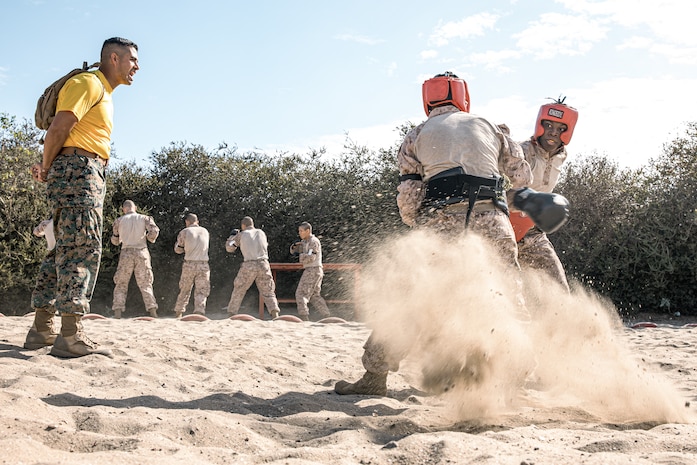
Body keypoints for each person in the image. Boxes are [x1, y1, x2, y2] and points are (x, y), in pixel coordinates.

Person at [335, 71, 537, 396]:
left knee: (415, 298)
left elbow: (409, 196)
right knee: (507, 293)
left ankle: (375, 376)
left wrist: (417, 226)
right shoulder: (489, 126)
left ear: (428, 99)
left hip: (443, 220)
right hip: (492, 220)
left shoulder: (416, 134)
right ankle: (516, 375)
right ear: (463, 96)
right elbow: (522, 174)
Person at [27, 37, 139, 358]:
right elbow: (60, 128)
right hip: (80, 170)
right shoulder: (89, 83)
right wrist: (47, 167)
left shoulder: (99, 90)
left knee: (64, 247)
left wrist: (50, 166)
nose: (137, 66)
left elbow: (63, 134)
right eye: (132, 59)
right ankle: (71, 334)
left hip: (79, 168)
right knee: (83, 247)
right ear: (113, 59)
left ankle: (41, 328)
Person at [509, 97, 579, 292]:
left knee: (557, 286)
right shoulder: (520, 152)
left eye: (560, 129)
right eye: (548, 125)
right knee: (503, 287)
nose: (553, 133)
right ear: (539, 125)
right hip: (503, 226)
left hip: (531, 230)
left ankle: (562, 321)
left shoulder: (561, 155)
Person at [110, 200, 160, 318]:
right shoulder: (145, 218)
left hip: (126, 252)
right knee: (146, 283)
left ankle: (118, 312)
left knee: (121, 283)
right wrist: (149, 238)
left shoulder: (119, 221)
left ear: (124, 209)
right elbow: (154, 231)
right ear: (135, 208)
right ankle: (153, 311)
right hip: (141, 251)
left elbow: (115, 240)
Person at [225, 217, 281, 320]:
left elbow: (230, 247)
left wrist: (232, 236)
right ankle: (274, 313)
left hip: (249, 264)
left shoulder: (241, 235)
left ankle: (231, 313)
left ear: (243, 225)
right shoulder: (261, 233)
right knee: (268, 291)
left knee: (239, 289)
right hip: (264, 264)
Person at [23, 218, 58, 349]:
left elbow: (36, 232)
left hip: (49, 257)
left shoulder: (48, 223)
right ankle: (44, 330)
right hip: (61, 257)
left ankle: (40, 328)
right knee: (52, 294)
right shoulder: (67, 220)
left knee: (44, 292)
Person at [289, 222, 331, 321]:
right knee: (314, 296)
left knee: (300, 294)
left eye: (301, 231)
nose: (299, 233)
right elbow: (293, 251)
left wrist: (301, 256)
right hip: (315, 270)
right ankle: (327, 316)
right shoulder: (305, 242)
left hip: (312, 269)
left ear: (308, 231)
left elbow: (311, 257)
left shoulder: (313, 242)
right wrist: (295, 246)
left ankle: (304, 317)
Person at [173, 213, 210, 318]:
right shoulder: (205, 231)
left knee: (185, 288)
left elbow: (178, 249)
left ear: (187, 222)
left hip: (189, 263)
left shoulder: (185, 232)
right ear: (197, 221)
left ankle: (179, 311)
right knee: (202, 290)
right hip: (203, 264)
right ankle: (199, 310)